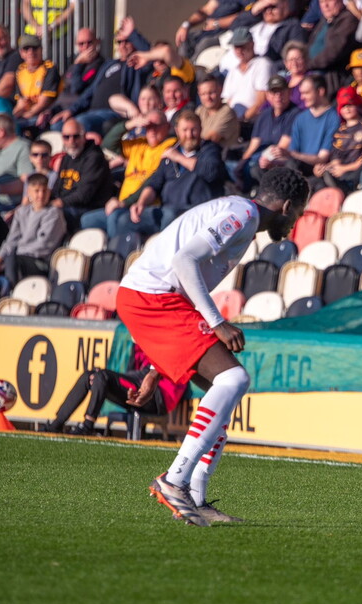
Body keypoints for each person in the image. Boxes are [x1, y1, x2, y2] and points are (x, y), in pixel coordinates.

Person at [116, 167, 310, 526]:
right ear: (286, 206)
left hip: (152, 298)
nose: (295, 224)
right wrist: (218, 322)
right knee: (233, 380)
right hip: (152, 297)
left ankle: (196, 496)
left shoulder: (240, 213)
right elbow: (182, 261)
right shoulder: (244, 214)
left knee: (224, 392)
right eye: (298, 214)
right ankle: (174, 480)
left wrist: (154, 369)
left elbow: (182, 277)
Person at [113, 110, 228, 237]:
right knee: (124, 220)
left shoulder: (210, 150)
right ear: (177, 130)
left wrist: (179, 158)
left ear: (201, 129)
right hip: (166, 211)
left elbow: (211, 172)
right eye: (185, 130)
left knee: (170, 215)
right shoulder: (170, 154)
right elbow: (154, 184)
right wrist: (141, 203)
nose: (189, 135)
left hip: (195, 212)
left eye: (193, 130)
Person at [43, 345, 188, 436]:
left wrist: (108, 377)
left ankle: (88, 425)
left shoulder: (164, 342)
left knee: (102, 376)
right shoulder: (140, 343)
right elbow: (135, 374)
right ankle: (56, 424)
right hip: (139, 390)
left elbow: (149, 376)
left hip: (158, 397)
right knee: (90, 376)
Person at [82, 110, 177, 235]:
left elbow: (152, 182)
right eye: (148, 126)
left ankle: (115, 252)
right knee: (86, 220)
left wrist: (123, 203)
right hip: (122, 205)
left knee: (115, 217)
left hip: (145, 206)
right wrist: (129, 125)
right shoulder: (139, 144)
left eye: (156, 126)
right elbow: (108, 144)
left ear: (168, 127)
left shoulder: (170, 146)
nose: (152, 130)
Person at [0, 173, 66, 285]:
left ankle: (12, 295)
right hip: (18, 256)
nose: (41, 195)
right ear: (29, 192)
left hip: (41, 262)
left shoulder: (54, 213)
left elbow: (44, 246)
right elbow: (11, 240)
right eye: (37, 191)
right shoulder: (22, 212)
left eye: (44, 191)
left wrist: (13, 256)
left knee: (12, 260)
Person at [50, 118, 116, 229]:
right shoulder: (66, 158)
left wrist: (59, 203)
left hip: (89, 208)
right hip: (68, 204)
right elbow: (57, 188)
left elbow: (84, 195)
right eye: (67, 137)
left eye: (76, 136)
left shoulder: (94, 158)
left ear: (84, 137)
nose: (71, 141)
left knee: (51, 215)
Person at [239, 75, 300, 190]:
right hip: (259, 157)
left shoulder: (295, 113)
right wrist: (242, 162)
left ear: (289, 92)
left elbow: (282, 147)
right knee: (235, 166)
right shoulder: (264, 114)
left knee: (254, 168)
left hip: (280, 158)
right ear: (268, 95)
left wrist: (266, 159)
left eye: (281, 92)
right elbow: (254, 144)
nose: (278, 96)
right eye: (274, 92)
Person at [273, 75, 340, 177]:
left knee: (293, 164)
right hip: (297, 165)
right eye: (301, 93)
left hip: (318, 171)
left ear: (320, 92)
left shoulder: (334, 118)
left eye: (306, 93)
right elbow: (293, 152)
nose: (302, 97)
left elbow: (322, 158)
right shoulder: (300, 118)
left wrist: (291, 154)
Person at [314, 86, 362, 192]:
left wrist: (344, 169)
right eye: (343, 106)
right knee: (315, 182)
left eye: (350, 105)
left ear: (357, 105)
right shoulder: (339, 131)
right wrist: (323, 168)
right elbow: (336, 158)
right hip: (341, 173)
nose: (347, 109)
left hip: (358, 172)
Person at [219, 26, 272, 125]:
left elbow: (261, 100)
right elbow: (228, 100)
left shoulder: (263, 64)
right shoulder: (233, 70)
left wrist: (243, 119)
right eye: (236, 47)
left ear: (252, 44)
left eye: (242, 46)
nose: (239, 50)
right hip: (233, 118)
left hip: (251, 120)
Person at [12, 33, 62, 130]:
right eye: (26, 49)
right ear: (21, 53)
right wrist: (9, 117)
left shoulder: (49, 68)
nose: (31, 52)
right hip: (29, 114)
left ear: (41, 50)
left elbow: (44, 103)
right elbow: (21, 103)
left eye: (35, 48)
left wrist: (26, 115)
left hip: (48, 112)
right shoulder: (20, 71)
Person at [195, 75, 242, 151]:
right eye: (203, 94)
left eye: (211, 93)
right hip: (201, 154)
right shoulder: (200, 110)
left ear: (220, 90)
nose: (207, 98)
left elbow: (211, 139)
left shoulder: (227, 112)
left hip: (220, 158)